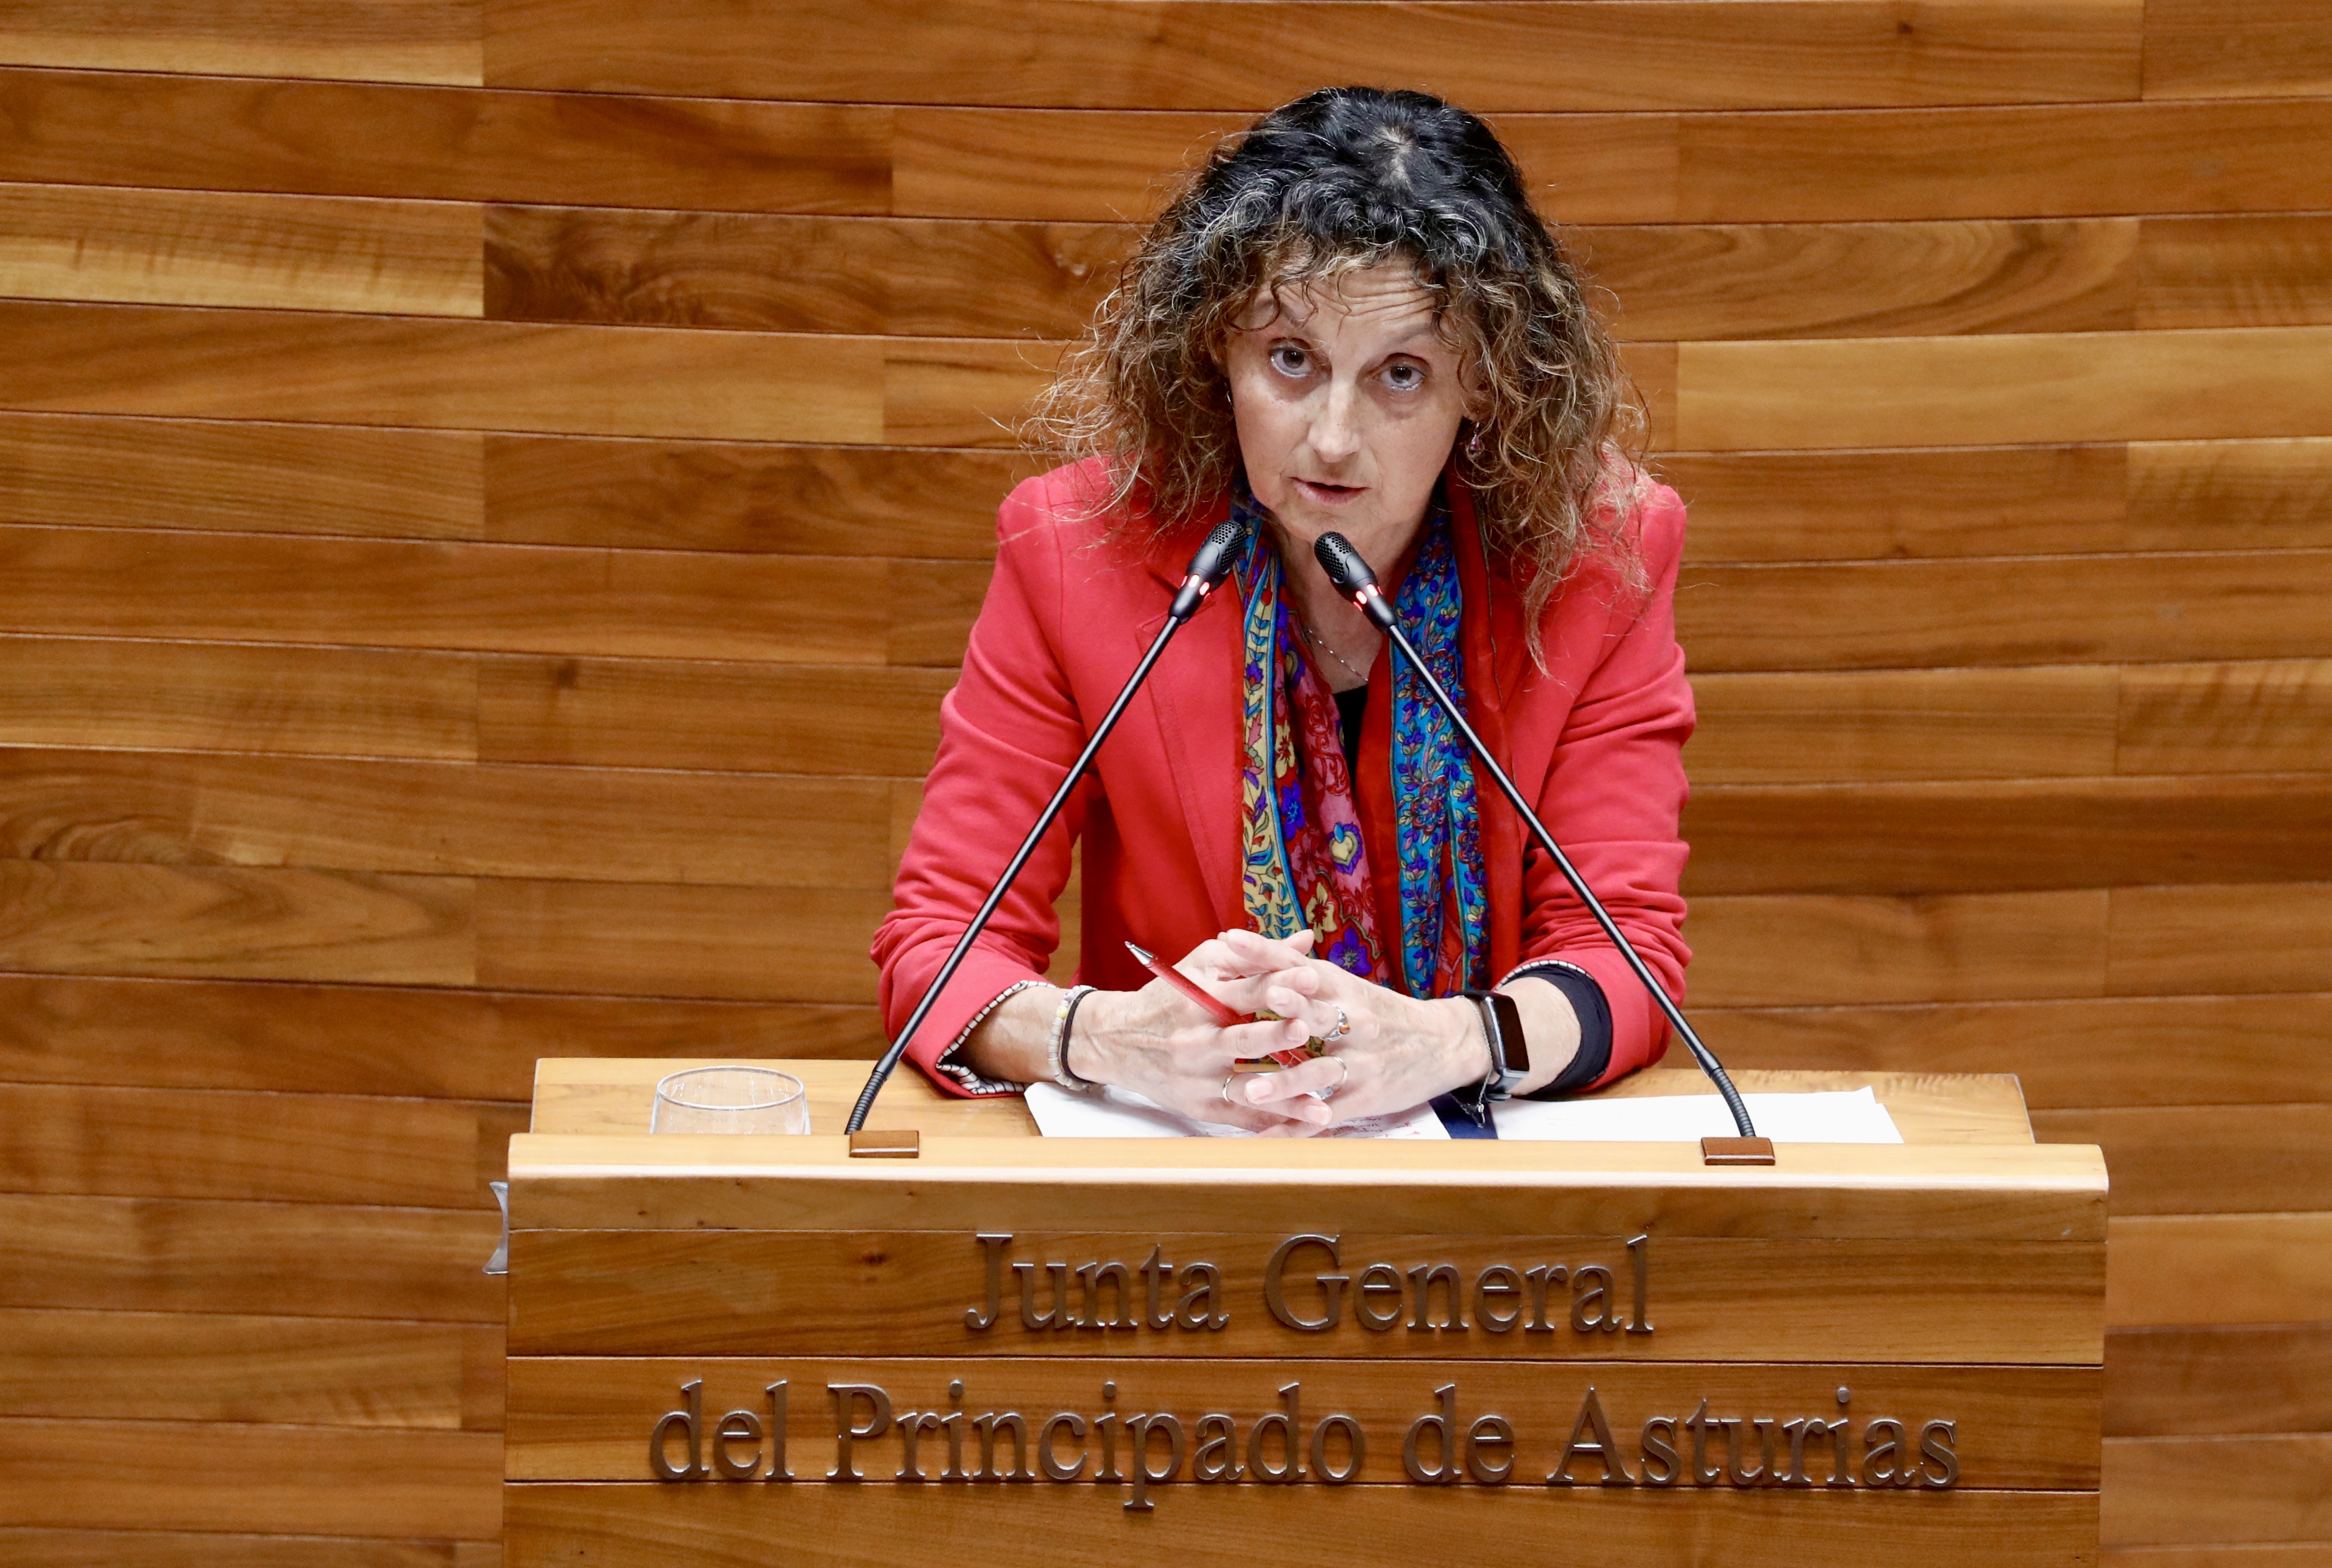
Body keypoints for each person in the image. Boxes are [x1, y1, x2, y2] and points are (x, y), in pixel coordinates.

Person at [871, 85, 1692, 1135]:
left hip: (1474, 1188)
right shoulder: (1073, 547)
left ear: (1485, 383)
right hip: (1184, 1170)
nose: (1332, 438)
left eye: (1401, 374)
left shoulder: (1596, 557)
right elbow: (939, 943)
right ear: (1216, 349)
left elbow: (1623, 956)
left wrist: (1447, 1042)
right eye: (1290, 359)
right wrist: (1109, 1037)